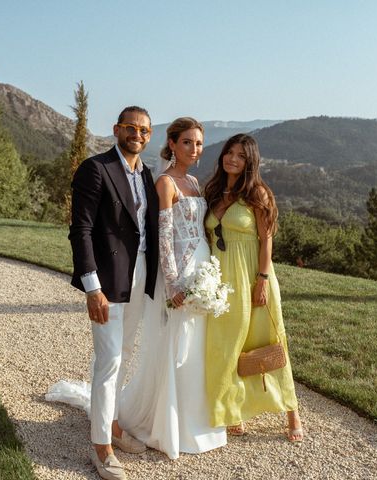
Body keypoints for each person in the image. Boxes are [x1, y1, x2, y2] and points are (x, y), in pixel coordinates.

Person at [117, 117, 226, 459]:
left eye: (198, 143)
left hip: (203, 270)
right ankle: (168, 425)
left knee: (197, 346)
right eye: (188, 142)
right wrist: (175, 282)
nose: (195, 149)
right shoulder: (165, 182)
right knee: (176, 346)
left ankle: (196, 419)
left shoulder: (194, 180)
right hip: (180, 275)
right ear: (173, 144)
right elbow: (163, 237)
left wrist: (211, 274)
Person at [68, 106, 159, 480]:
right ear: (117, 130)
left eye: (144, 130)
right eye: (131, 127)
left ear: (150, 136)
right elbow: (81, 230)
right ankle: (101, 448)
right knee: (109, 362)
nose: (137, 133)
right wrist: (92, 287)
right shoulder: (96, 168)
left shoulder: (147, 174)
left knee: (123, 353)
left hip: (139, 278)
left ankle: (114, 424)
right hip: (107, 280)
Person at [203, 133, 304, 442]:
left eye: (241, 155)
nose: (233, 158)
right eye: (229, 152)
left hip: (252, 277)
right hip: (222, 282)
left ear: (250, 161)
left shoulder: (257, 193)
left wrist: (261, 280)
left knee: (269, 341)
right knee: (227, 345)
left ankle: (292, 414)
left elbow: (266, 240)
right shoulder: (215, 191)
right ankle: (232, 410)